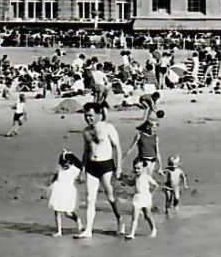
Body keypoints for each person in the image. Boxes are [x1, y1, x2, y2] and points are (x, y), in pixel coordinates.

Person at [78, 102, 124, 238]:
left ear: (98, 114)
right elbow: (86, 151)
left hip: (106, 165)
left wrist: (119, 167)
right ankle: (88, 229)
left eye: (91, 116)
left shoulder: (108, 128)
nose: (88, 119)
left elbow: (118, 148)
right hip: (91, 166)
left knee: (110, 196)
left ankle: (120, 220)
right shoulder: (86, 131)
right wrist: (83, 169)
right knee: (90, 199)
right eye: (86, 116)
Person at [48, 150, 83, 237]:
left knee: (68, 212)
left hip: (68, 191)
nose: (65, 166)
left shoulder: (75, 170)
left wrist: (81, 179)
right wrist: (51, 185)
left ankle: (77, 219)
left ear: (71, 163)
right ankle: (59, 231)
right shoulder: (58, 167)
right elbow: (55, 177)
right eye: (63, 164)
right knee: (57, 211)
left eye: (67, 165)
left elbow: (80, 179)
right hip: (58, 190)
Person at [125, 159, 159, 239]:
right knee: (134, 216)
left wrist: (151, 194)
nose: (136, 170)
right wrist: (125, 180)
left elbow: (155, 185)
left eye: (138, 168)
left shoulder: (147, 176)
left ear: (144, 168)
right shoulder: (136, 177)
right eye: (135, 168)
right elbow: (131, 183)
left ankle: (154, 229)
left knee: (148, 215)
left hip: (146, 197)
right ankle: (132, 233)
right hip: (137, 197)